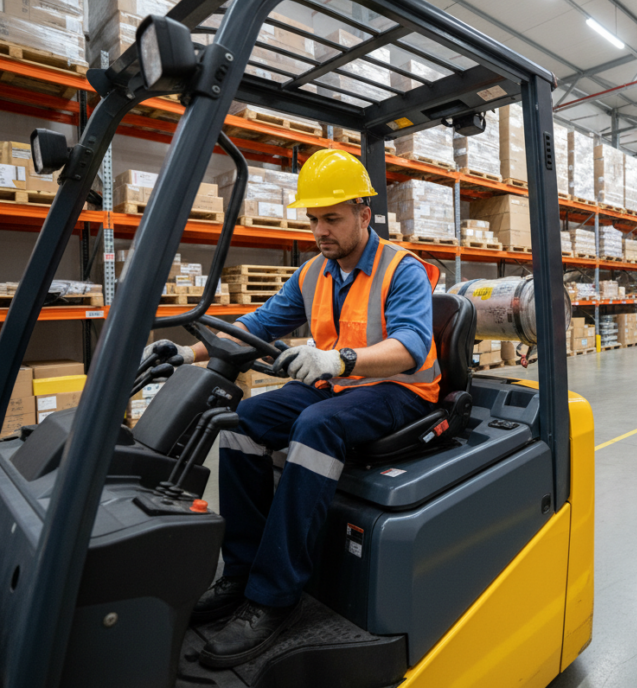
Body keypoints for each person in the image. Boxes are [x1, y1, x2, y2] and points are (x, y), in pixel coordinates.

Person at [141, 148, 440, 668]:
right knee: (244, 420)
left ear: (363, 214)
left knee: (314, 426)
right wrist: (185, 353)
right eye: (313, 219)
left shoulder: (402, 269)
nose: (320, 230)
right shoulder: (312, 274)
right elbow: (256, 326)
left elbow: (411, 346)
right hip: (344, 387)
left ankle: (273, 597)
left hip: (401, 391)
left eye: (332, 218)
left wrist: (338, 360)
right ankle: (240, 571)